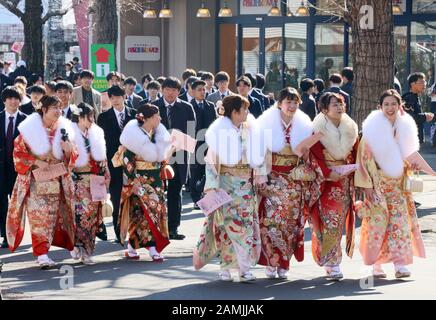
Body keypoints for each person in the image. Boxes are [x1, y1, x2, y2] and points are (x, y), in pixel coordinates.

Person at [193, 95, 267, 282]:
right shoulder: (219, 131)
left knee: (246, 227)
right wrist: (211, 187)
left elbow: (260, 154)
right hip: (226, 185)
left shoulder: (251, 130)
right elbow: (210, 163)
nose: (248, 113)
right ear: (234, 112)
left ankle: (244, 268)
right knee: (226, 227)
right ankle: (225, 268)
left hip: (246, 185)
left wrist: (260, 174)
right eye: (245, 109)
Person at [355, 89, 426, 279]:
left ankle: (400, 264)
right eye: (386, 104)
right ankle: (377, 264)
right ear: (380, 107)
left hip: (397, 184)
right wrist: (367, 186)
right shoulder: (371, 129)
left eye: (393, 104)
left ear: (399, 106)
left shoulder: (405, 128)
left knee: (399, 223)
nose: (390, 108)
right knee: (378, 225)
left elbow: (409, 155)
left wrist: (413, 168)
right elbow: (362, 159)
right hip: (377, 182)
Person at [6, 95, 77, 268]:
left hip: (57, 180)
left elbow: (73, 156)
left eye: (60, 108)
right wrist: (36, 161)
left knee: (53, 218)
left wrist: (68, 152)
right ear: (44, 109)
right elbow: (18, 154)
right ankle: (42, 254)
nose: (59, 111)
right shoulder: (30, 130)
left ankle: (55, 248)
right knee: (39, 218)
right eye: (55, 107)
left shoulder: (63, 130)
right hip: (36, 181)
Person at [256, 87, 318, 279]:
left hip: (294, 180)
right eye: (287, 102)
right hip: (273, 177)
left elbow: (310, 153)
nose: (291, 106)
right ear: (279, 103)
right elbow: (258, 152)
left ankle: (284, 262)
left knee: (291, 223)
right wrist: (261, 177)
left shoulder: (305, 123)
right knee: (271, 221)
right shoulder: (266, 122)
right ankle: (270, 261)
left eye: (295, 102)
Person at [309, 92, 359, 280]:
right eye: (334, 104)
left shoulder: (350, 127)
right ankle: (332, 263)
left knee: (339, 224)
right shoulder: (317, 129)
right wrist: (327, 172)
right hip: (327, 182)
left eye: (341, 103)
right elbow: (313, 155)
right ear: (324, 109)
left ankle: (331, 260)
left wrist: (353, 169)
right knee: (330, 222)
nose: (339, 107)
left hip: (345, 181)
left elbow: (355, 154)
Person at [116, 103, 173, 261]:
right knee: (141, 214)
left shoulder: (157, 134)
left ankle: (133, 248)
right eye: (157, 116)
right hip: (139, 180)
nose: (160, 118)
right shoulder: (133, 135)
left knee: (155, 211)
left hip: (155, 180)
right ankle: (152, 248)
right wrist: (133, 181)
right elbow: (127, 160)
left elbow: (162, 158)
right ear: (148, 118)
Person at [153, 77, 196, 240]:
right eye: (168, 89)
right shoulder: (153, 107)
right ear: (162, 90)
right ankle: (156, 226)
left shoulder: (186, 107)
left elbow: (192, 132)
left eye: (174, 90)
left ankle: (173, 228)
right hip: (156, 156)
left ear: (180, 92)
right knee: (155, 192)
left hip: (179, 155)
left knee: (175, 191)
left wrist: (178, 142)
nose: (170, 93)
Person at [70, 102, 110, 265]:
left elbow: (103, 157)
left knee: (92, 217)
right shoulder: (69, 133)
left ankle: (87, 251)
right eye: (90, 116)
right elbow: (65, 158)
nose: (92, 120)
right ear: (80, 117)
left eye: (93, 116)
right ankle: (75, 246)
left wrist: (106, 173)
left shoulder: (97, 133)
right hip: (77, 181)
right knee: (77, 216)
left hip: (95, 180)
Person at [97, 85, 136, 243]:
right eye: (112, 97)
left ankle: (133, 230)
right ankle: (118, 231)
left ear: (124, 96)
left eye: (118, 97)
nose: (115, 100)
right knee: (116, 195)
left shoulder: (134, 114)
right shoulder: (103, 117)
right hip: (113, 163)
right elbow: (101, 142)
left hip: (132, 163)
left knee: (133, 196)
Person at [0, 87, 27, 248]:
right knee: (2, 202)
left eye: (16, 98)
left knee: (18, 203)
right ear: (4, 100)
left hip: (19, 168)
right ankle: (5, 235)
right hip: (1, 168)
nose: (13, 101)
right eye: (9, 98)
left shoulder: (26, 120)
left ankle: (16, 233)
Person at [189, 79, 217, 207]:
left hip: (208, 143)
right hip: (194, 143)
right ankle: (196, 199)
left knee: (208, 171)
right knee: (195, 172)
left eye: (204, 89)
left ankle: (205, 195)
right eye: (199, 90)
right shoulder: (189, 106)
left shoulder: (211, 106)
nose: (202, 92)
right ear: (193, 91)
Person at [402, 72, 434, 144]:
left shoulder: (415, 97)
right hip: (410, 140)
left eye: (425, 81)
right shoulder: (409, 98)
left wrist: (425, 116)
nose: (424, 84)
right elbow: (410, 118)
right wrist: (425, 116)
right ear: (413, 84)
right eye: (422, 82)